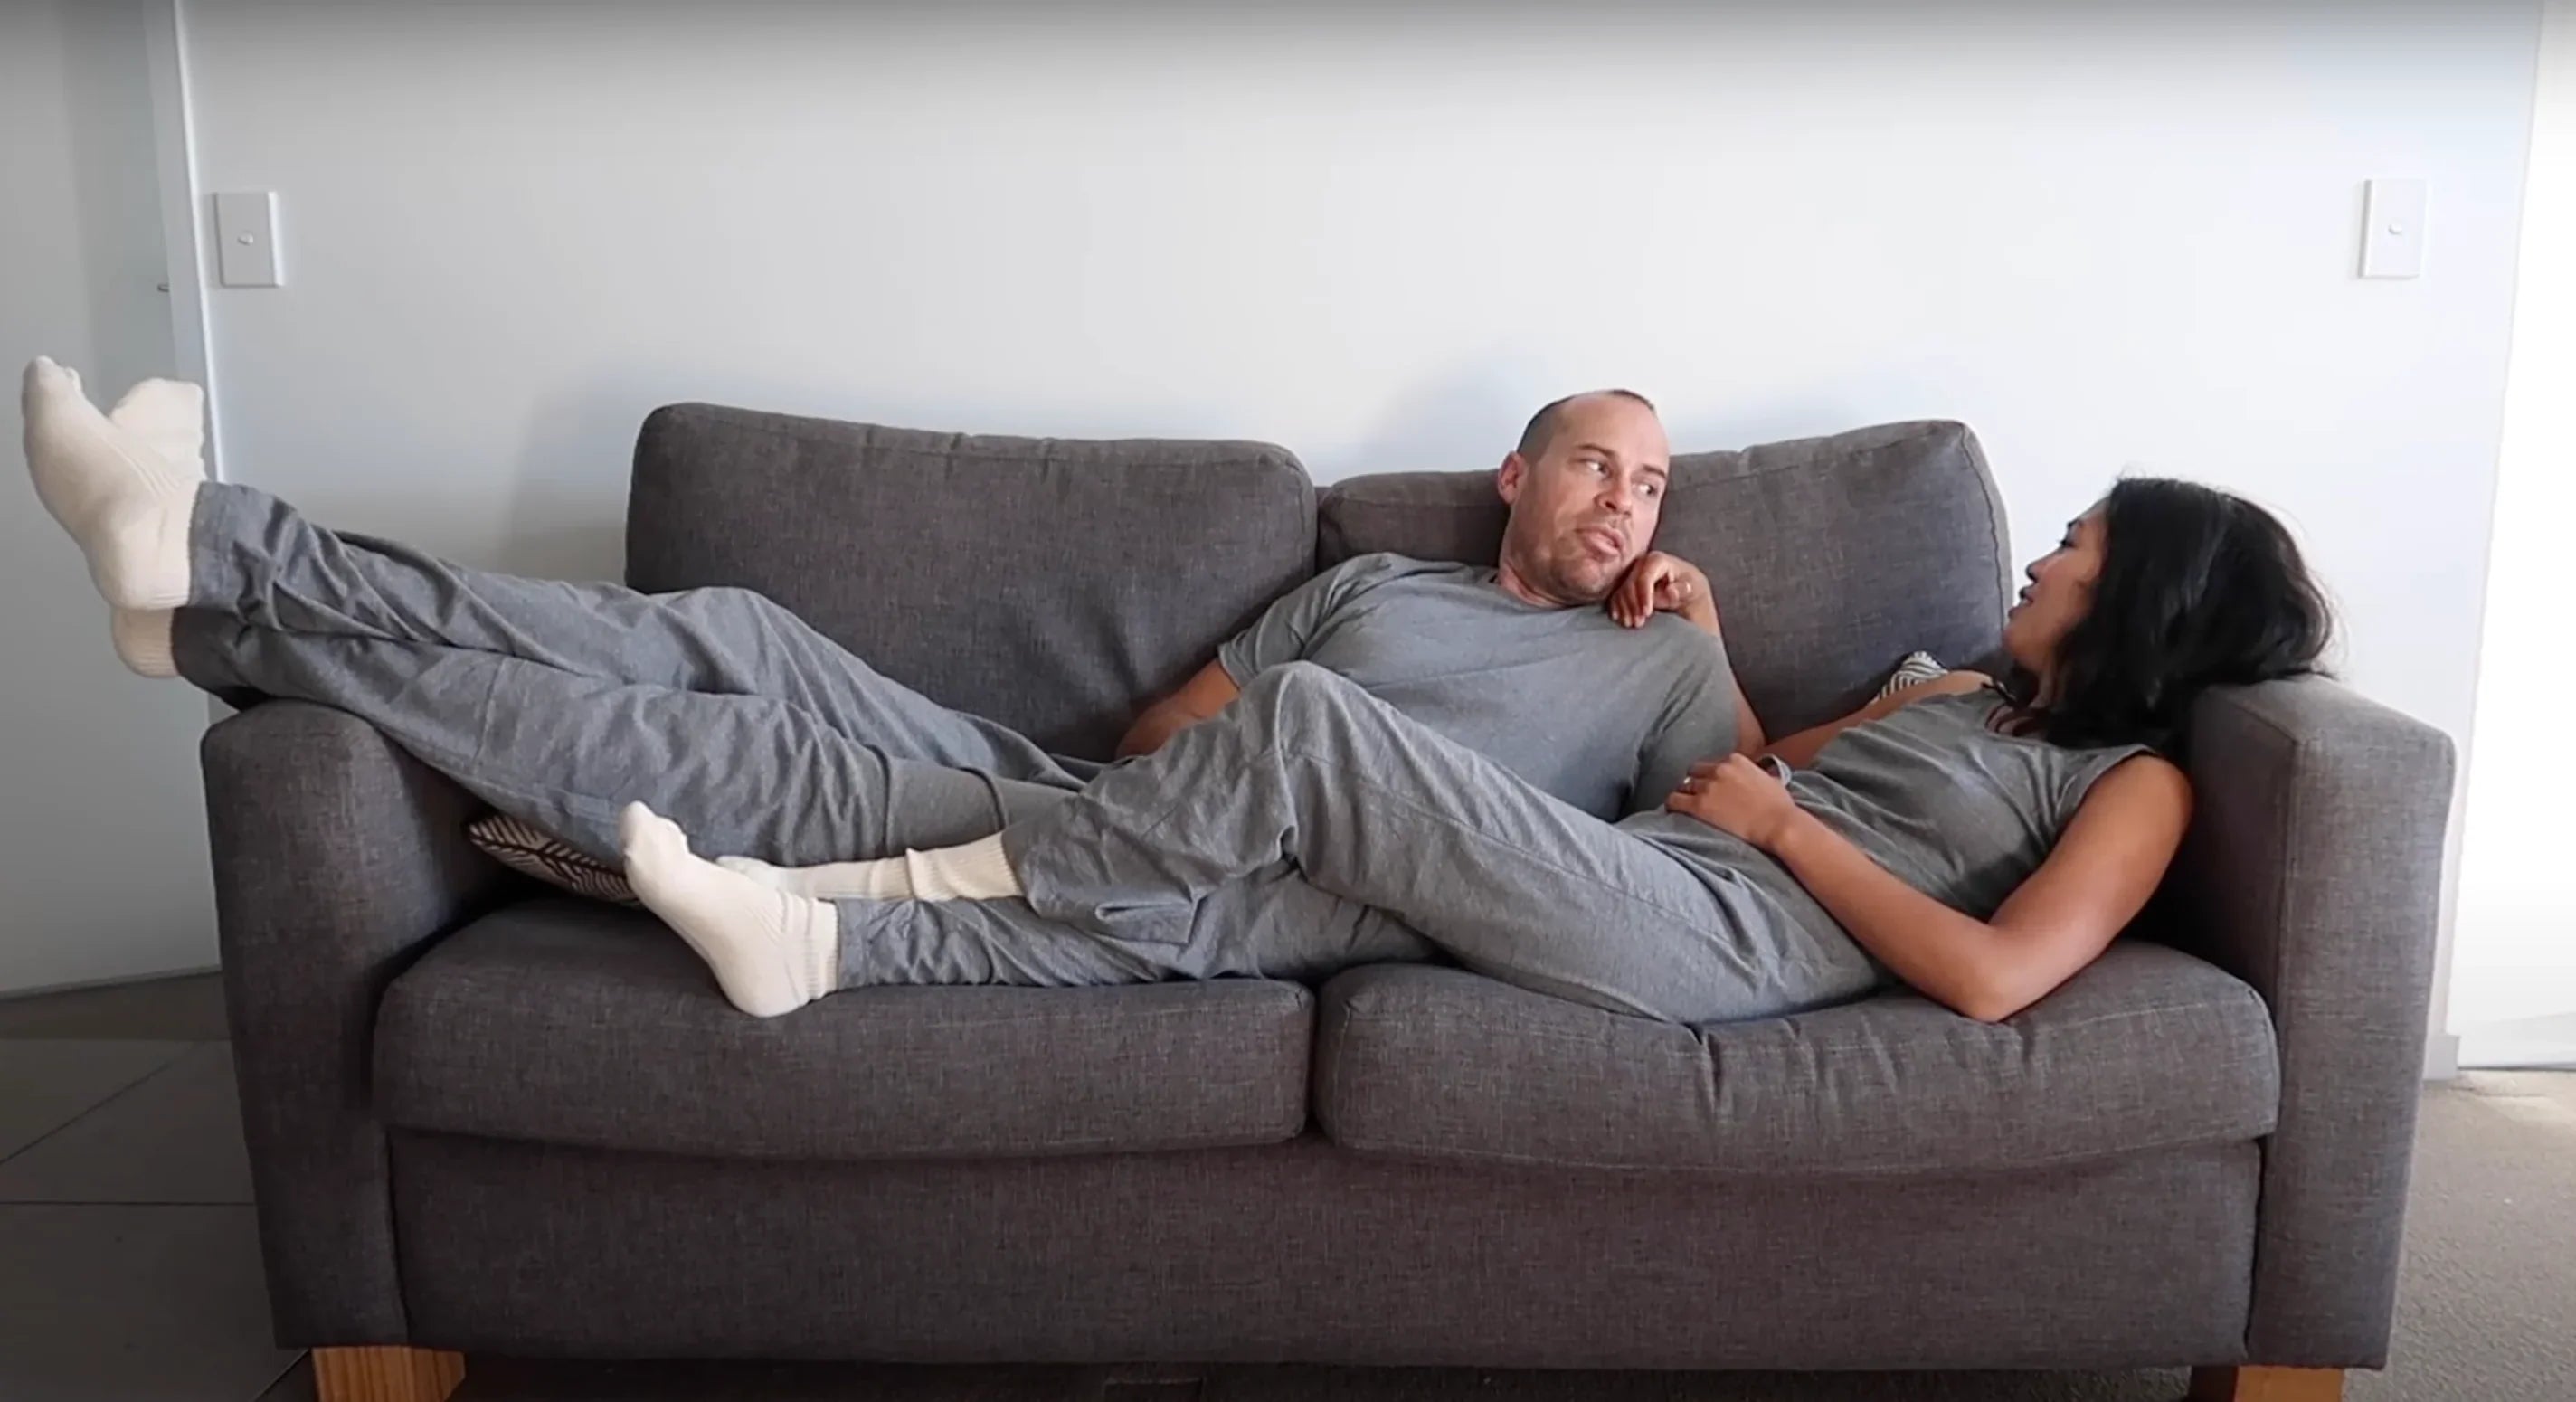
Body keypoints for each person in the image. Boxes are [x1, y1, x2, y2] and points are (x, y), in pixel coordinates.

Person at [605, 477, 2330, 1025]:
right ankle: (821, 943)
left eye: (2086, 546)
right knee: (1242, 909)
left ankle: (889, 866)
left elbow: (1999, 978)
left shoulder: (2139, 782)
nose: (2044, 555)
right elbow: (1739, 761)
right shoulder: (1971, 691)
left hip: (1731, 940)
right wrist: (1722, 646)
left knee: (1302, 718)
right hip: (1664, 866)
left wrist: (1792, 836)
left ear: (2154, 601)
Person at [17, 361, 1750, 894]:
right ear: (1516, 473)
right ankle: (214, 569)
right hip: (1085, 790)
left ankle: (214, 589)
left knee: (721, 750)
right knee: (732, 630)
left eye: (1655, 484)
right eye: (1597, 463)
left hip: (1189, 884)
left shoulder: (1660, 656)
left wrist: (1718, 635)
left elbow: (1761, 820)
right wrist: (1209, 766)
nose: (1627, 500)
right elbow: (1161, 731)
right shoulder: (1372, 582)